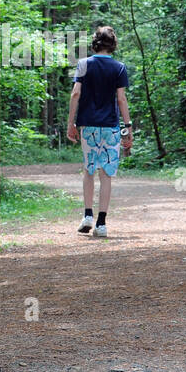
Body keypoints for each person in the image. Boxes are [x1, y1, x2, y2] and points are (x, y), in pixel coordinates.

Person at [66, 26, 132, 238]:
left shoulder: (83, 65)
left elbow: (76, 94)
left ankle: (87, 215)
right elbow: (121, 99)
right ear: (113, 44)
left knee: (89, 170)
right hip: (111, 126)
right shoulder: (119, 67)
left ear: (95, 43)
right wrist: (128, 126)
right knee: (106, 174)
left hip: (88, 125)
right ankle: (101, 223)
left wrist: (71, 123)